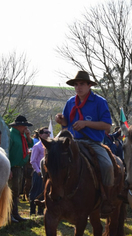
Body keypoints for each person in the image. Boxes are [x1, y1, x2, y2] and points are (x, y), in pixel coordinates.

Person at [55, 70, 114, 215]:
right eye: (76, 84)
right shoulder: (70, 102)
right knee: (49, 159)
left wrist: (86, 123)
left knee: (107, 165)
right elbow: (66, 124)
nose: (78, 87)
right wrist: (62, 121)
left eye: (81, 84)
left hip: (92, 142)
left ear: (89, 85)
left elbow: (107, 126)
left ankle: (107, 199)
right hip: (71, 141)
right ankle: (50, 194)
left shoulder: (100, 102)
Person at [8, 115, 34, 222]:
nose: (26, 128)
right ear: (19, 126)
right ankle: (9, 215)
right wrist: (8, 168)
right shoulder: (10, 135)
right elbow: (6, 151)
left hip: (20, 167)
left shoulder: (21, 135)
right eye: (25, 126)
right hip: (12, 167)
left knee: (17, 191)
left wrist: (28, 136)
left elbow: (30, 144)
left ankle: (15, 213)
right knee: (11, 191)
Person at [29, 127, 50, 216]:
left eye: (49, 132)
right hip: (38, 173)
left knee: (43, 192)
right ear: (40, 135)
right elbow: (33, 160)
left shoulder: (49, 146)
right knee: (35, 192)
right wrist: (38, 171)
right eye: (46, 132)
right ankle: (33, 212)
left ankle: (41, 212)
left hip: (46, 174)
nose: (48, 134)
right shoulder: (37, 146)